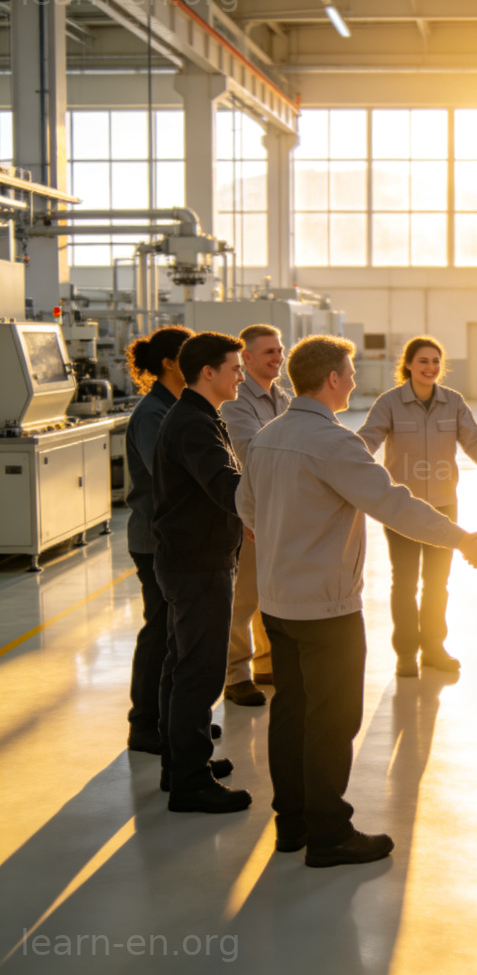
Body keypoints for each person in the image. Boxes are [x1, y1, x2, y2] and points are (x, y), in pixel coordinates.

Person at [236, 335, 477, 868]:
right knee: (333, 721)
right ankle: (329, 834)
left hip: (280, 605)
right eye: (350, 373)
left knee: (290, 714)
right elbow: (395, 505)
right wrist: (463, 538)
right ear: (331, 380)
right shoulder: (334, 444)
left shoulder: (266, 439)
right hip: (327, 609)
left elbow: (246, 508)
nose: (354, 382)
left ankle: (292, 825)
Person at [358, 336, 477, 677]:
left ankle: (434, 649)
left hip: (443, 507)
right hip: (403, 510)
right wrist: (344, 469)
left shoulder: (452, 403)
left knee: (437, 582)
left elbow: (475, 439)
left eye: (436, 361)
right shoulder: (390, 403)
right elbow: (368, 439)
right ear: (408, 364)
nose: (430, 368)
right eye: (423, 361)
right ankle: (407, 654)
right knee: (405, 582)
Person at [152, 331, 250, 814]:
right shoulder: (194, 424)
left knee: (180, 665)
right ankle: (191, 781)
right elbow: (225, 485)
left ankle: (180, 763)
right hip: (198, 564)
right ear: (207, 372)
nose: (242, 375)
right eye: (235, 367)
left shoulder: (200, 416)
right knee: (199, 673)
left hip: (190, 557)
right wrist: (261, 508)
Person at [125, 325, 194, 754]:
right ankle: (144, 724)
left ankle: (173, 720)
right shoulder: (153, 413)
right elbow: (167, 475)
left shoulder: (178, 405)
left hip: (174, 536)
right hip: (155, 538)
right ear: (170, 363)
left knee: (176, 634)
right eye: (189, 355)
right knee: (160, 632)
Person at [220, 324, 290, 706]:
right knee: (242, 598)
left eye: (279, 351)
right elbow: (250, 452)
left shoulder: (281, 397)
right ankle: (235, 675)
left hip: (276, 509)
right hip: (249, 511)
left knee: (268, 593)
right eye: (268, 352)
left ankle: (265, 663)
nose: (277, 358)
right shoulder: (237, 400)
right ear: (246, 358)